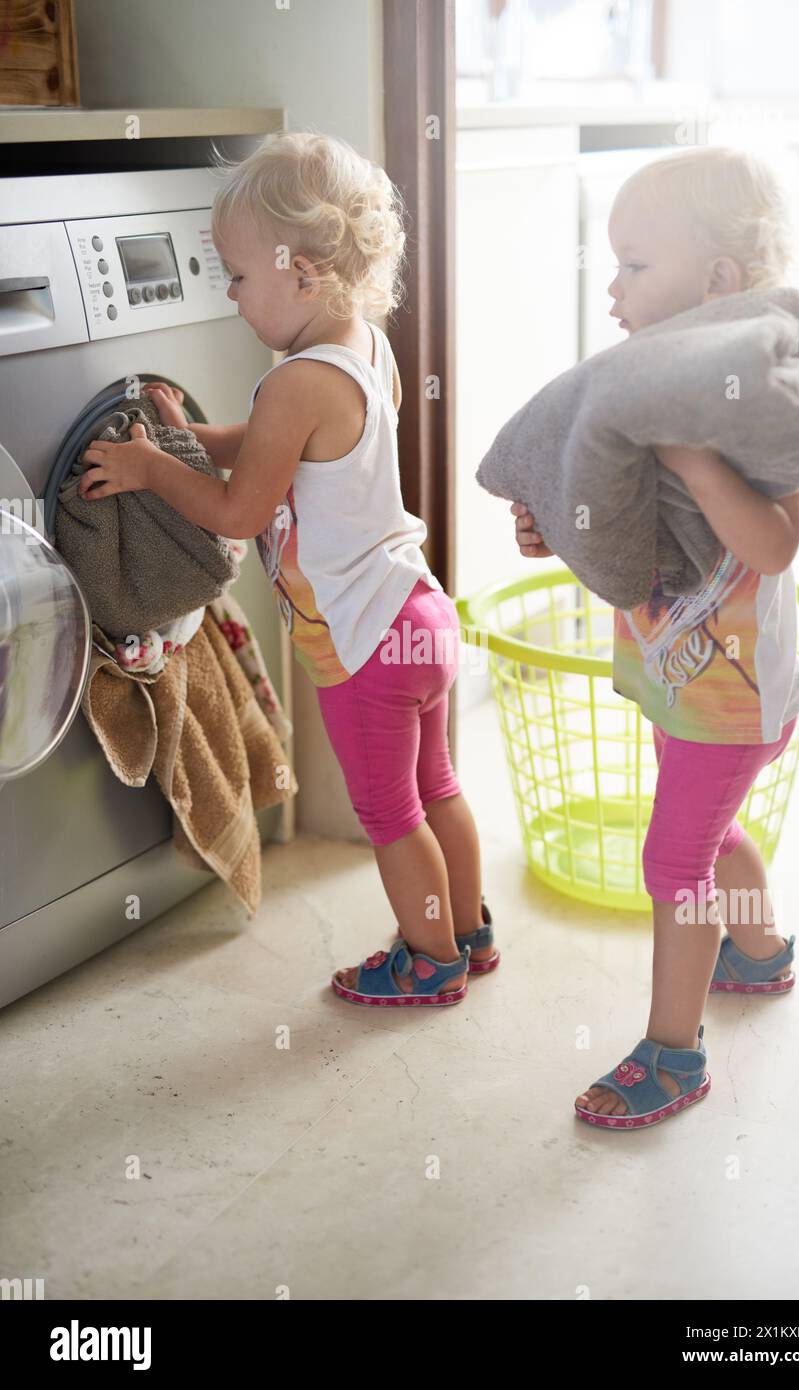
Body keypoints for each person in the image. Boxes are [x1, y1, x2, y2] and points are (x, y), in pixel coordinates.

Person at [78, 131, 497, 1007]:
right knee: (439, 786)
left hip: (363, 644)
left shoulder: (291, 382)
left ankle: (429, 961)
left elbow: (240, 511)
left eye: (235, 275)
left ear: (298, 271)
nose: (230, 297)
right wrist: (190, 438)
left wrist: (153, 468)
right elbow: (272, 450)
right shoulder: (360, 348)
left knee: (391, 815)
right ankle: (465, 927)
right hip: (418, 615)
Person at [512, 146, 799, 1127]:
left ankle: (673, 1055)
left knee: (672, 862)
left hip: (733, 696)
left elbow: (769, 545)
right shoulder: (639, 397)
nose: (612, 287)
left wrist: (689, 448)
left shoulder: (759, 402)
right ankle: (759, 953)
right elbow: (633, 537)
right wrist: (558, 528)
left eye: (636, 265)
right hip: (677, 678)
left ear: (718, 281)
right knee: (715, 831)